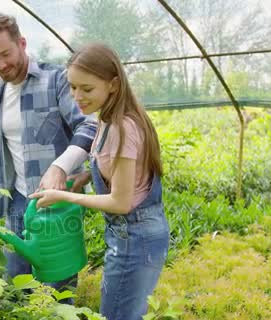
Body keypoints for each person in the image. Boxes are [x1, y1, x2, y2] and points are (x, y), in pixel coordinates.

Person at [30, 43, 170, 320]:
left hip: (135, 237)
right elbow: (117, 171)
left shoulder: (121, 127)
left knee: (117, 314)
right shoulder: (107, 119)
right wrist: (81, 178)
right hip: (130, 235)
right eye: (72, 87)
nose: (76, 96)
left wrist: (65, 197)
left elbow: (120, 201)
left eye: (87, 88)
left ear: (113, 84)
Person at [0, 13, 97, 296]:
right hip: (17, 201)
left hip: (55, 204)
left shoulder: (57, 80)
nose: (1, 65)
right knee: (17, 286)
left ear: (22, 43)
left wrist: (60, 168)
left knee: (55, 293)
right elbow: (5, 142)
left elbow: (88, 125)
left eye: (6, 54)